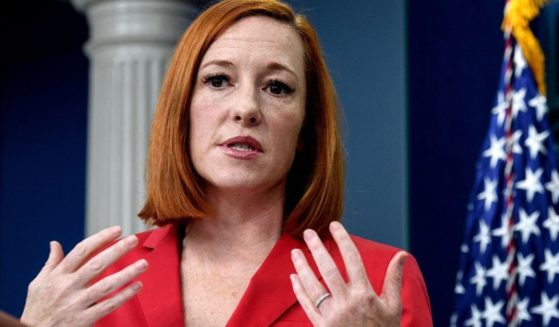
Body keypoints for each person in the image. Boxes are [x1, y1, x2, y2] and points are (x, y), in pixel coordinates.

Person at [20, 0, 432, 326]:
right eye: (218, 80)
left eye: (277, 87)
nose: (246, 108)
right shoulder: (93, 282)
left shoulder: (378, 281)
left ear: (306, 130)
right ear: (182, 112)